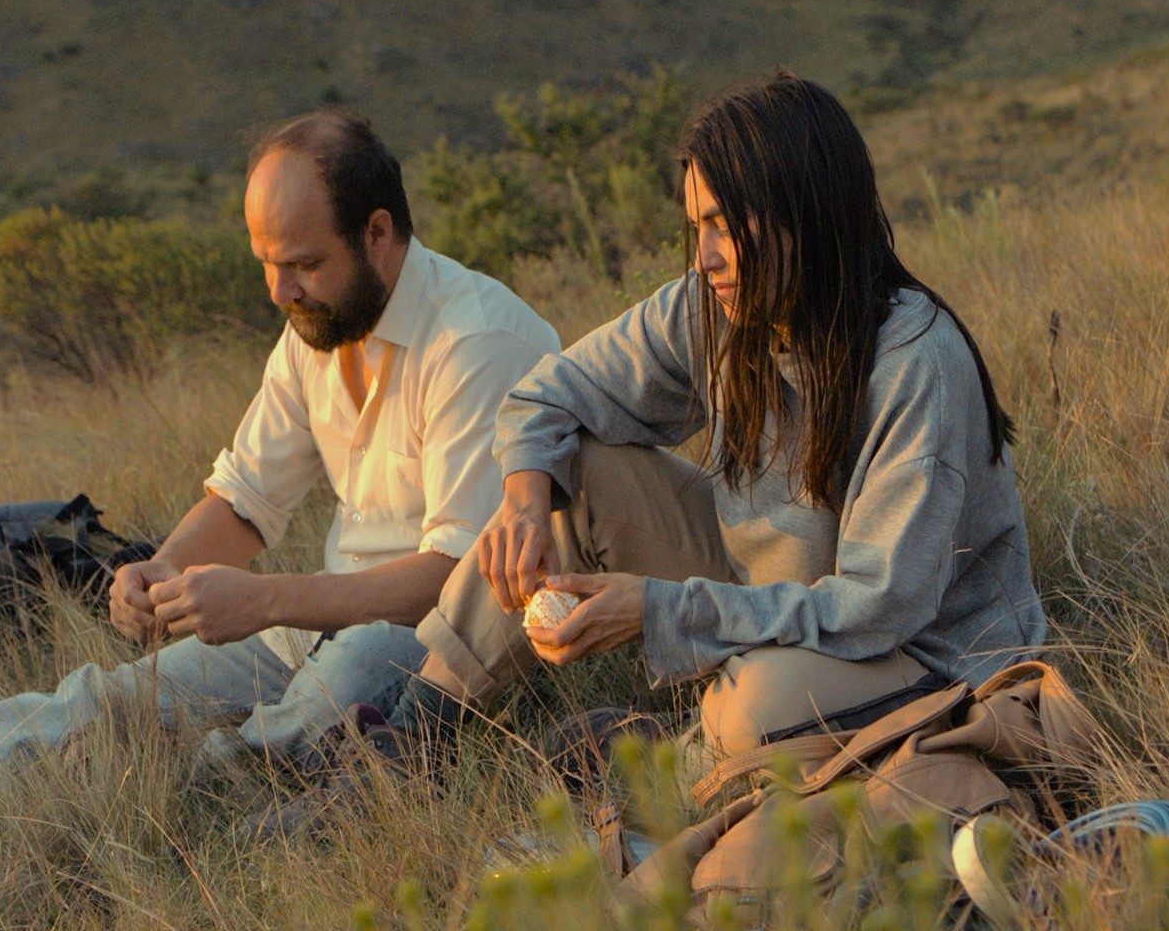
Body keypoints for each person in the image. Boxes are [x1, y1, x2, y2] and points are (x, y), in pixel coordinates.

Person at [0, 110, 561, 826]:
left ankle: (175, 812)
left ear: (378, 235)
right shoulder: (317, 328)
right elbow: (248, 500)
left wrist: (261, 600)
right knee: (105, 703)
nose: (279, 294)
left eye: (301, 266)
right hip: (313, 621)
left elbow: (451, 583)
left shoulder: (475, 341)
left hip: (440, 646)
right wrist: (164, 570)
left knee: (338, 689)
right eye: (265, 266)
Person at [261, 72, 1047, 833]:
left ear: (804, 215)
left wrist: (662, 609)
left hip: (919, 654)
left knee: (760, 706)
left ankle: (643, 770)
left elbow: (878, 609)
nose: (703, 258)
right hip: (770, 596)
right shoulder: (713, 309)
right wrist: (526, 497)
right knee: (571, 473)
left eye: (723, 227)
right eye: (695, 226)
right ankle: (409, 743)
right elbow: (545, 395)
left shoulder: (916, 366)